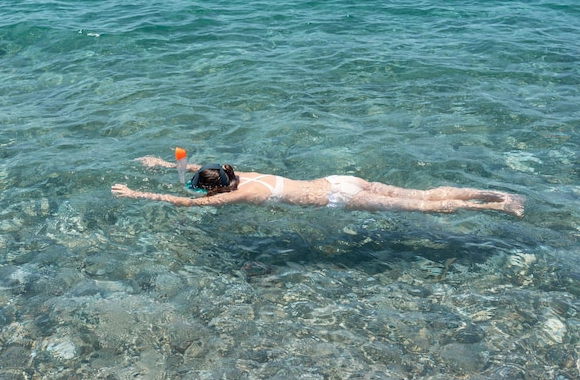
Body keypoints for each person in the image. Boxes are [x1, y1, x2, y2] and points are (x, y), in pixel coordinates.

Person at [111, 156, 525, 217]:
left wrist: (138, 194)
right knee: (421, 193)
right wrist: (165, 163)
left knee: (423, 209)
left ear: (217, 188)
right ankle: (500, 193)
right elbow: (200, 173)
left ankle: (492, 208)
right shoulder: (245, 175)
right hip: (340, 178)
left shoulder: (245, 194)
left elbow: (184, 201)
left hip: (338, 196)